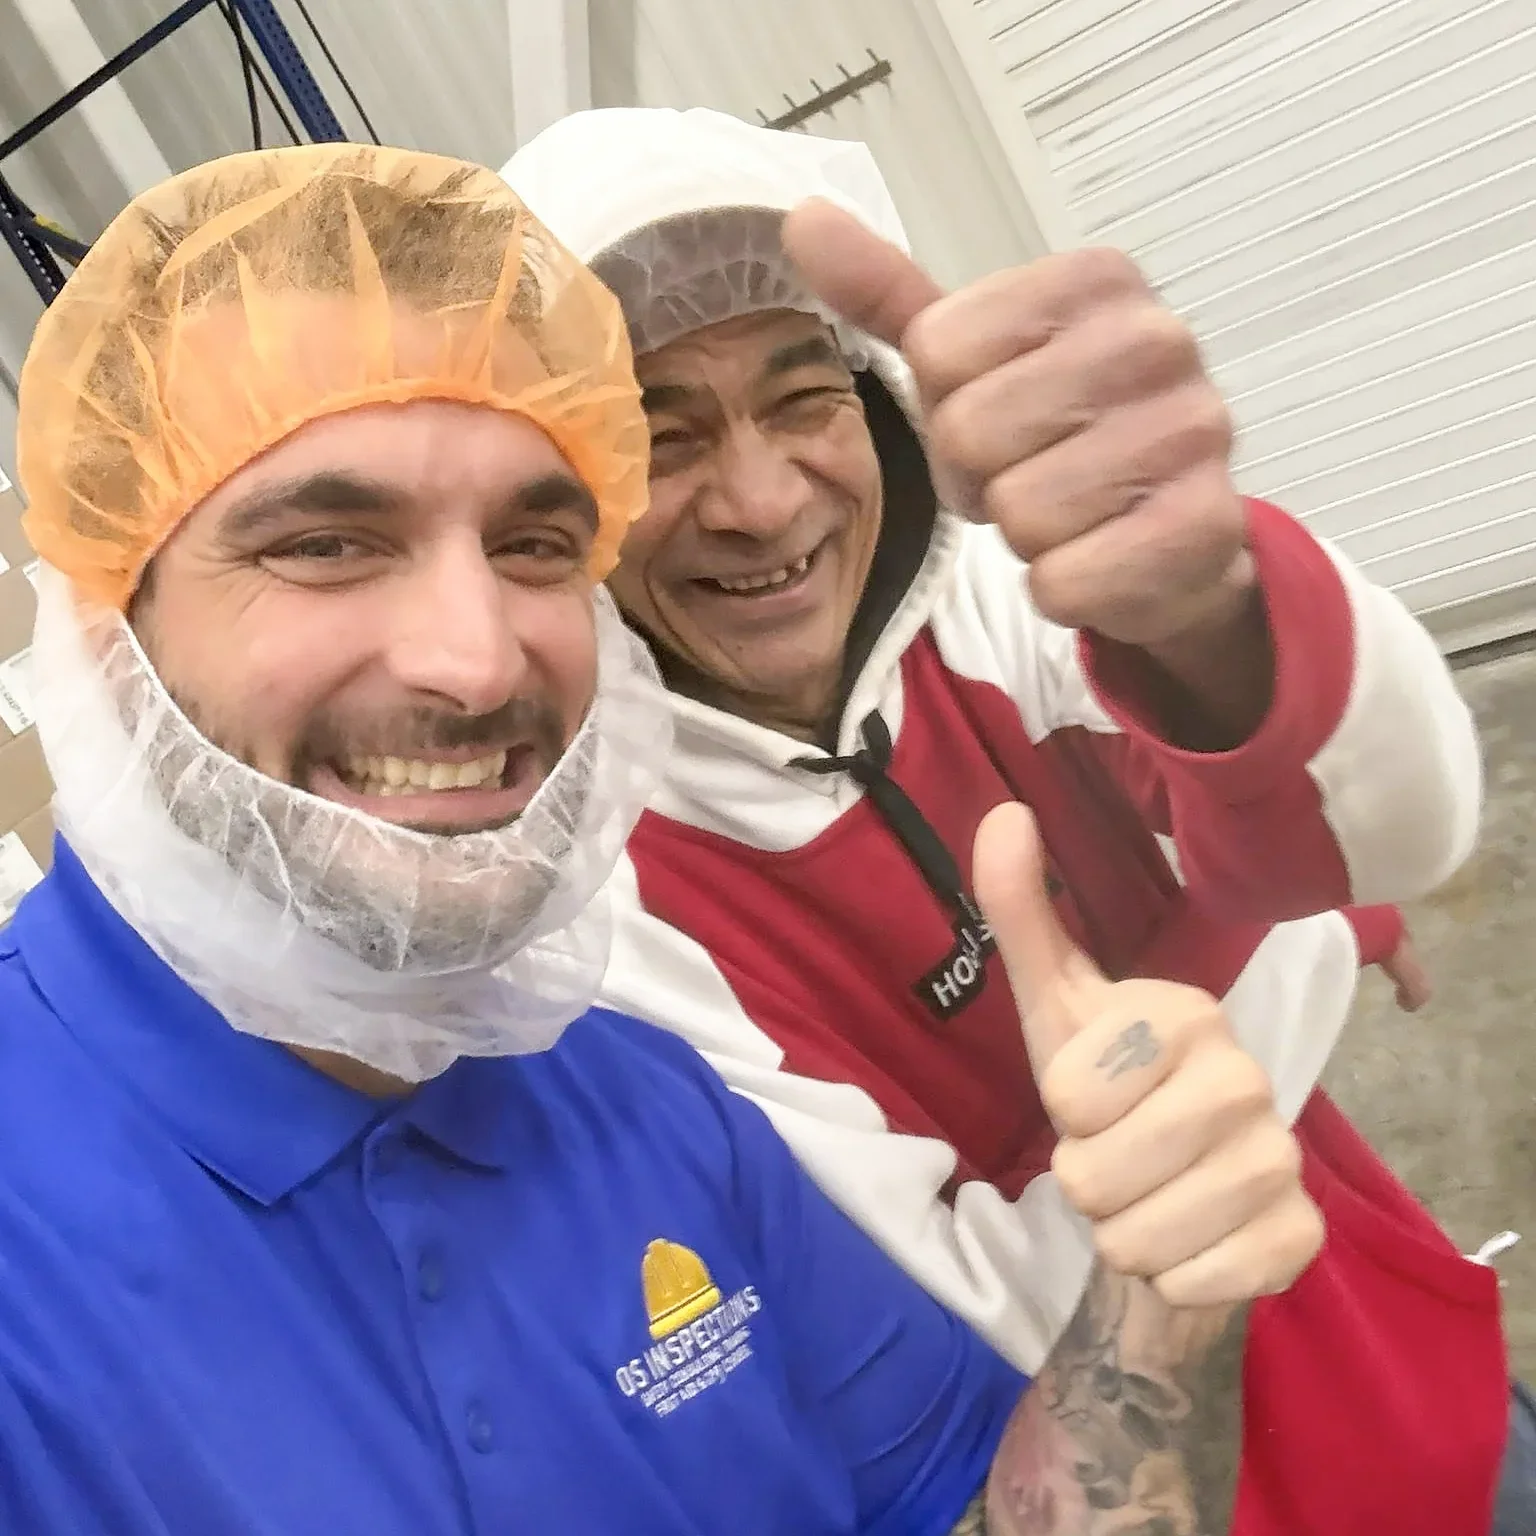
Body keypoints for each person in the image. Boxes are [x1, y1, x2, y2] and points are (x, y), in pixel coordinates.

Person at [0, 142, 1321, 1535]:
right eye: (326, 542)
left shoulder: (644, 1104)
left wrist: (1154, 1297)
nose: (479, 656)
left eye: (535, 544)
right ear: (103, 626)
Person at [504, 107, 1524, 1535]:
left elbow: (1406, 811)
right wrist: (1272, 905)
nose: (757, 498)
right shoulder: (600, 907)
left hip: (1421, 1386)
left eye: (806, 398)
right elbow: (987, 1311)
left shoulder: (999, 604)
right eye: (654, 439)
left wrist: (1217, 615)